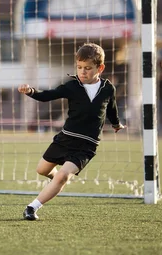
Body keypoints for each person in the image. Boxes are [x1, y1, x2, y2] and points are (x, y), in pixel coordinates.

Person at [17, 42, 125, 220]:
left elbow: (112, 110)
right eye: (80, 67)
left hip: (87, 146)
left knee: (63, 175)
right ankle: (55, 180)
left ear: (101, 68)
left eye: (88, 68)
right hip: (65, 139)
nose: (83, 72)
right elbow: (47, 96)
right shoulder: (71, 86)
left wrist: (116, 124)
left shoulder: (108, 89)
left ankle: (32, 207)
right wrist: (30, 91)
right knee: (42, 170)